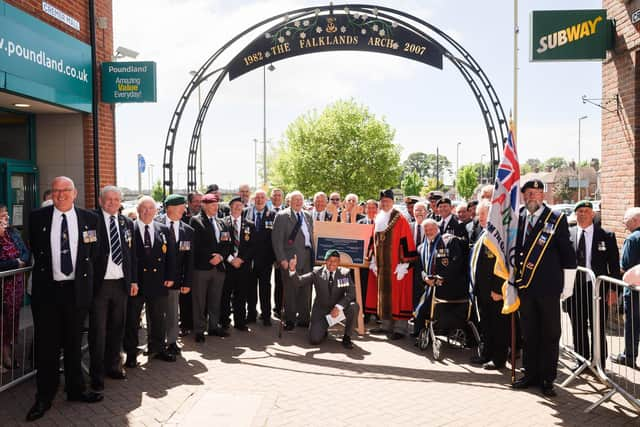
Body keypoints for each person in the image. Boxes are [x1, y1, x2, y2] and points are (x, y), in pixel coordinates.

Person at [26, 176, 103, 422]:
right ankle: (44, 397)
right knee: (47, 346)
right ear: (52, 194)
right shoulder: (37, 218)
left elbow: (96, 253)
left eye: (66, 190)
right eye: (57, 191)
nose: (61, 195)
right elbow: (34, 248)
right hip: (47, 292)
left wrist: (91, 287)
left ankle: (76, 390)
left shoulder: (90, 218)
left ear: (75, 193)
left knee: (72, 344)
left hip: (76, 291)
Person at [511, 179, 576, 398]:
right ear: (523, 196)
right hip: (525, 287)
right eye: (529, 193)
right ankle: (530, 374)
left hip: (548, 288)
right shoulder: (517, 216)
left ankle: (548, 379)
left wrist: (568, 284)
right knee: (529, 334)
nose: (534, 197)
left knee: (549, 334)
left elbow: (568, 253)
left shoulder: (556, 219)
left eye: (538, 193)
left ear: (543, 196)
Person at [89, 186, 137, 393]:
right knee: (98, 332)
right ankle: (96, 374)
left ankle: (113, 366)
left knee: (118, 329)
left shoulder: (126, 222)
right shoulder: (91, 220)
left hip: (121, 284)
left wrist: (133, 281)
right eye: (108, 199)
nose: (112, 202)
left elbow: (131, 255)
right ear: (100, 201)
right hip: (99, 285)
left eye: (116, 199)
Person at [564, 200, 620, 370]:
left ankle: (600, 363)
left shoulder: (606, 236)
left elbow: (614, 266)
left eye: (586, 211)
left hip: (597, 289)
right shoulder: (568, 234)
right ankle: (581, 360)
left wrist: (613, 290)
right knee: (578, 326)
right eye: (579, 211)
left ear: (593, 214)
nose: (582, 214)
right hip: (574, 289)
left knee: (598, 326)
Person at [123, 196, 177, 368]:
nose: (147, 211)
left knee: (158, 318)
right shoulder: (129, 228)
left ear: (156, 211)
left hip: (157, 281)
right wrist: (131, 280)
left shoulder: (163, 229)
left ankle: (158, 348)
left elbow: (171, 256)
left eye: (150, 208)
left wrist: (170, 276)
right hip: (136, 283)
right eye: (143, 208)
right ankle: (131, 354)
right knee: (132, 320)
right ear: (138, 211)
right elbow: (126, 258)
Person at [366, 189, 417, 339]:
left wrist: (404, 264)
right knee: (383, 294)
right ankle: (385, 325)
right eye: (382, 201)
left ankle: (400, 329)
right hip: (381, 265)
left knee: (399, 295)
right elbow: (373, 240)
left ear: (393, 202)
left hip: (396, 265)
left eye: (387, 201)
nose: (384, 203)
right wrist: (373, 259)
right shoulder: (378, 218)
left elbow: (406, 240)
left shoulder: (400, 219)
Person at [287, 250, 358, 349]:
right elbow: (299, 282)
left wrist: (338, 307)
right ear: (325, 261)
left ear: (339, 262)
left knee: (353, 307)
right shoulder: (317, 272)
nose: (332, 263)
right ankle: (323, 328)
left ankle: (347, 337)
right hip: (321, 311)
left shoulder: (344, 274)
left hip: (337, 309)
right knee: (314, 340)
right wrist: (292, 269)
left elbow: (351, 294)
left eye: (335, 261)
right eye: (329, 260)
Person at [469, 200, 509, 370]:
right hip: (482, 290)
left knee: (498, 326)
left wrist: (498, 289)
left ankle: (499, 359)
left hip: (495, 292)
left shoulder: (498, 235)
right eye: (479, 214)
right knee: (486, 325)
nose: (480, 218)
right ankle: (487, 354)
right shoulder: (483, 233)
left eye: (484, 214)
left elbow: (502, 264)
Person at [412, 219, 467, 338]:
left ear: (437, 229)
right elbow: (419, 268)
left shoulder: (449, 242)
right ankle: (421, 333)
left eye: (431, 229)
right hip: (427, 284)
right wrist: (425, 277)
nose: (428, 232)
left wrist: (441, 278)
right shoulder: (421, 248)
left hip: (446, 285)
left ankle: (438, 331)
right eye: (426, 230)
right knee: (420, 301)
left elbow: (456, 263)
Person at [189, 193, 232, 342]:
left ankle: (213, 326)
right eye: (213, 205)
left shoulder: (222, 222)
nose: (216, 208)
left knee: (215, 299)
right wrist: (211, 258)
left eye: (217, 205)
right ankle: (199, 330)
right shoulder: (196, 221)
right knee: (200, 301)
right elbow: (197, 245)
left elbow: (227, 244)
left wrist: (220, 256)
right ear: (204, 205)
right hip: (202, 268)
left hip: (218, 268)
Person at [156, 194, 194, 355]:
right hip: (156, 277)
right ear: (170, 208)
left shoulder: (188, 230)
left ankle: (171, 342)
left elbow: (189, 260)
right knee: (155, 313)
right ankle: (155, 342)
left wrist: (188, 282)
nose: (184, 210)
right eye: (181, 207)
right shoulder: (154, 223)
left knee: (172, 312)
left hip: (176, 279)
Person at [272, 190, 314, 331]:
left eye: (300, 199)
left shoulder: (307, 215)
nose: (298, 202)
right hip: (291, 259)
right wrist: (282, 259)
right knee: (290, 290)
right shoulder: (282, 216)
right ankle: (289, 319)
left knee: (306, 289)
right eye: (295, 199)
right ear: (289, 201)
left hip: (307, 257)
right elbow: (276, 241)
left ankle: (303, 319)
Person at [0, 204, 30, 374]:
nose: (7, 218)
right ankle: (4, 355)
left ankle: (8, 350)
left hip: (15, 287)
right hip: (2, 288)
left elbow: (25, 252)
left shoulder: (13, 233)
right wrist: (14, 263)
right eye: (3, 215)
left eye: (6, 215)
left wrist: (22, 261)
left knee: (12, 320)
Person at [611, 207, 640, 368]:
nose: (624, 223)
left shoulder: (633, 239)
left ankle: (629, 356)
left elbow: (625, 265)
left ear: (635, 220)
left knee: (633, 324)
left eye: (626, 220)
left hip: (634, 289)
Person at [221, 196, 255, 331]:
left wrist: (241, 259)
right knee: (225, 295)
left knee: (241, 295)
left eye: (240, 206)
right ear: (230, 207)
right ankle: (224, 321)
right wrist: (230, 259)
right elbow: (220, 245)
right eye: (235, 205)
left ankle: (240, 321)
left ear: (243, 208)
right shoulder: (222, 223)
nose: (237, 208)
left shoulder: (249, 225)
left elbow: (252, 246)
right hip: (227, 266)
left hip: (243, 266)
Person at [244, 190, 276, 325]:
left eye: (262, 197)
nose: (259, 200)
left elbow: (275, 238)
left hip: (266, 259)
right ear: (253, 199)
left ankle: (266, 315)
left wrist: (275, 258)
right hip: (249, 259)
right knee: (250, 288)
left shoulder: (273, 215)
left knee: (265, 288)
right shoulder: (245, 213)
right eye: (257, 197)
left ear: (266, 199)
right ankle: (251, 314)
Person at [410, 201, 428, 309]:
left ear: (426, 212)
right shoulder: (408, 226)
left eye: (421, 210)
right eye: (416, 210)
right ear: (413, 212)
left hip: (424, 265)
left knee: (422, 292)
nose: (419, 212)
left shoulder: (431, 226)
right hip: (410, 266)